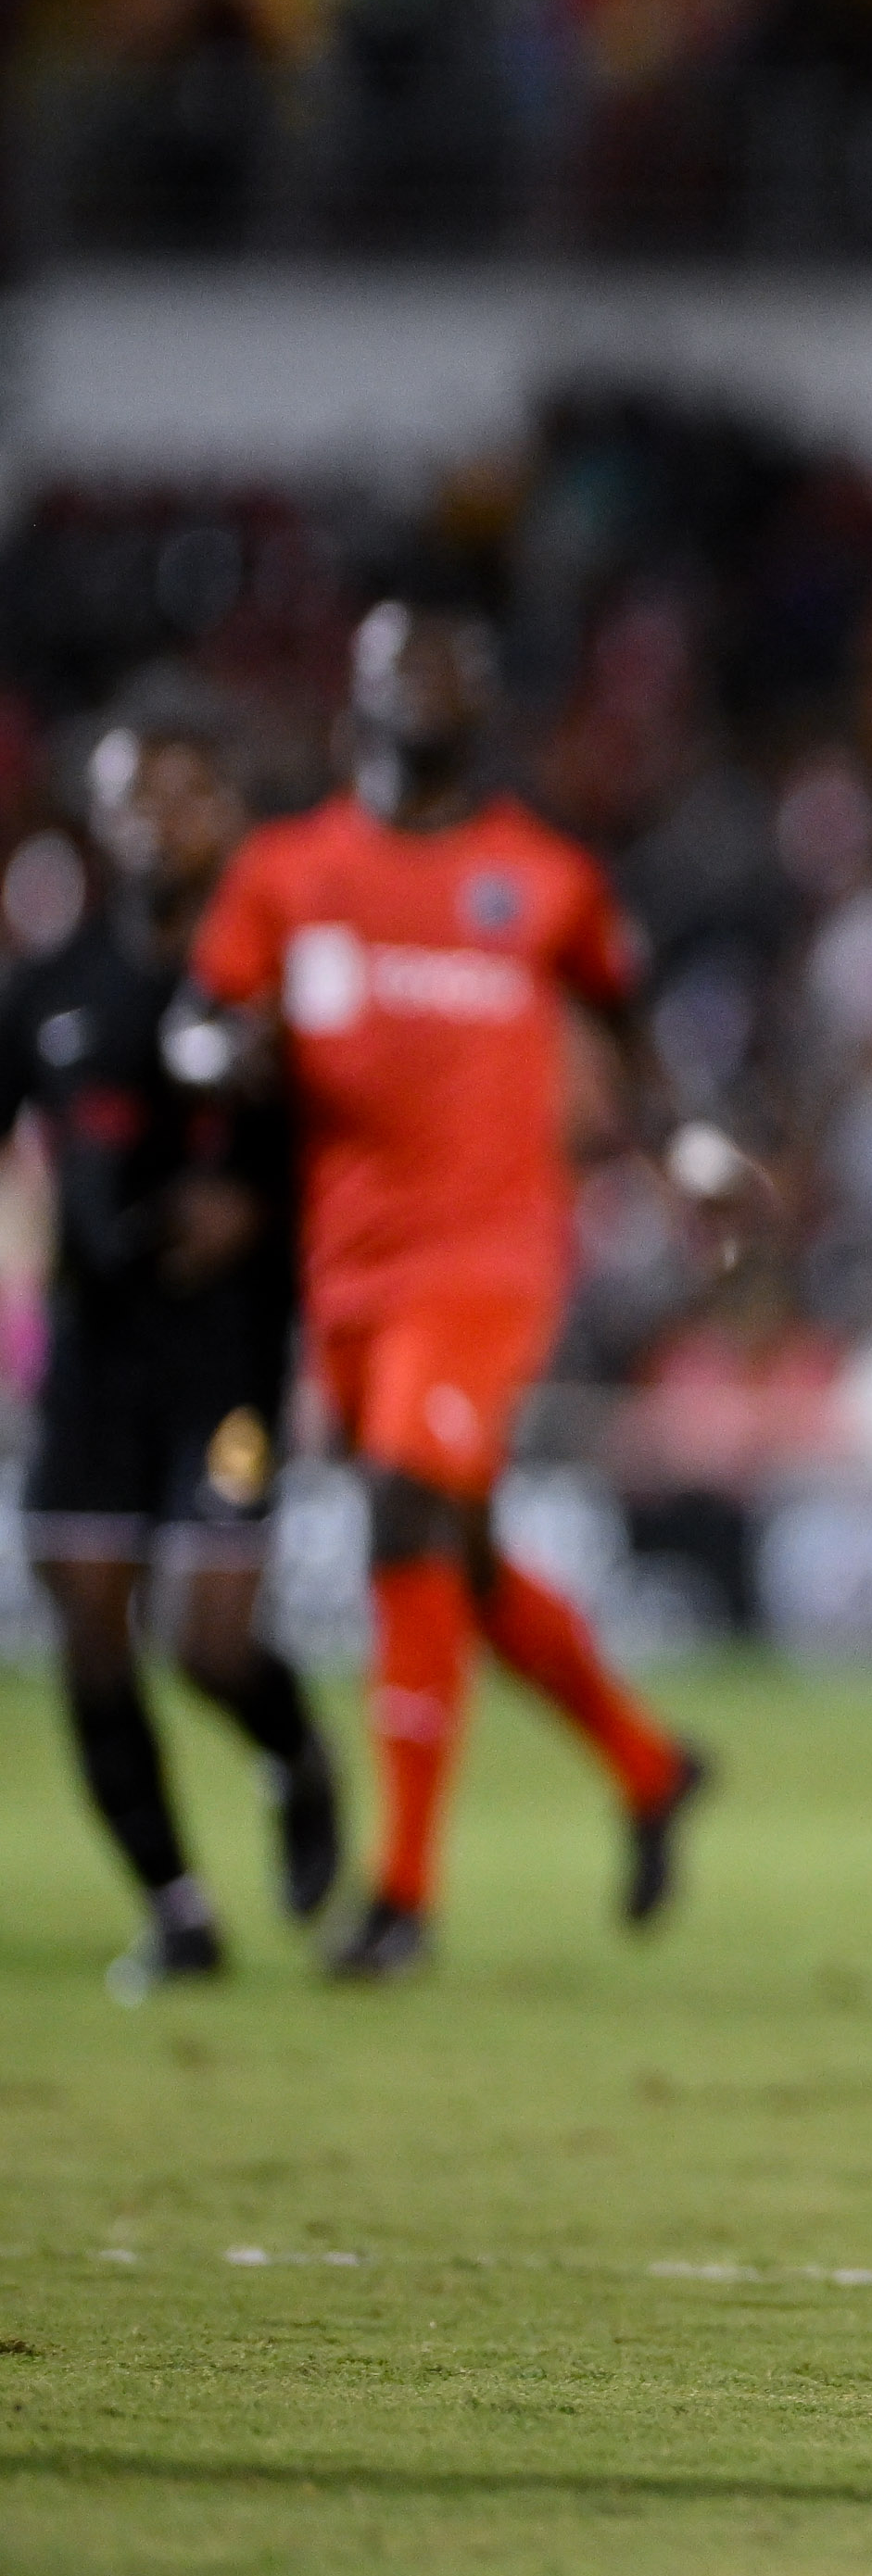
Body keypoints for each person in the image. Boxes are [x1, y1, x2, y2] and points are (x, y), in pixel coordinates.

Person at [183, 601, 745, 1982]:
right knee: (459, 1557)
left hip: (488, 1258)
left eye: (450, 668)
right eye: (400, 665)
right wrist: (213, 1057)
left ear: (477, 705)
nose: (423, 687)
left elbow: (627, 1029)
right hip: (348, 1264)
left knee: (402, 1508)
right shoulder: (286, 870)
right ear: (356, 695)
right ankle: (649, 1762)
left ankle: (406, 1898)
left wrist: (685, 1147)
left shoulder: (541, 879)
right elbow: (206, 1012)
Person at [7, 710, 343, 1998]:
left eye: (184, 793)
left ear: (225, 815)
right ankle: (178, 1910)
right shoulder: (51, 988)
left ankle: (293, 1751)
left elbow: (355, 1138)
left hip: (227, 1361)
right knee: (90, 1628)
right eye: (132, 796)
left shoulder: (283, 985)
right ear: (99, 821)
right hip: (93, 1357)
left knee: (208, 1641)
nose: (159, 817)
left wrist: (269, 1205)